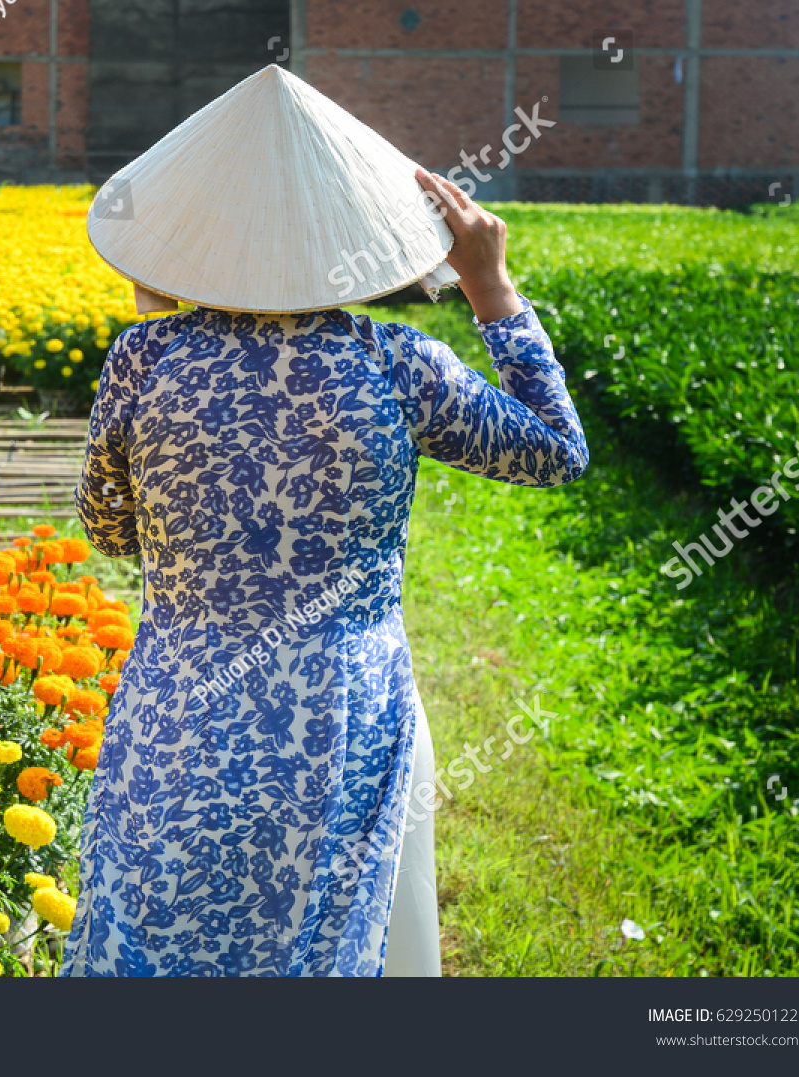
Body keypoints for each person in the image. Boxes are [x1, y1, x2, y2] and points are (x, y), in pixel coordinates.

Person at [64, 65, 589, 977]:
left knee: (158, 934)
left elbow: (108, 528)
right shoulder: (396, 362)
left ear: (195, 241)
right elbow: (555, 450)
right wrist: (491, 288)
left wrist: (157, 322)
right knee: (333, 936)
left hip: (181, 703)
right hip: (343, 704)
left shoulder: (143, 359)